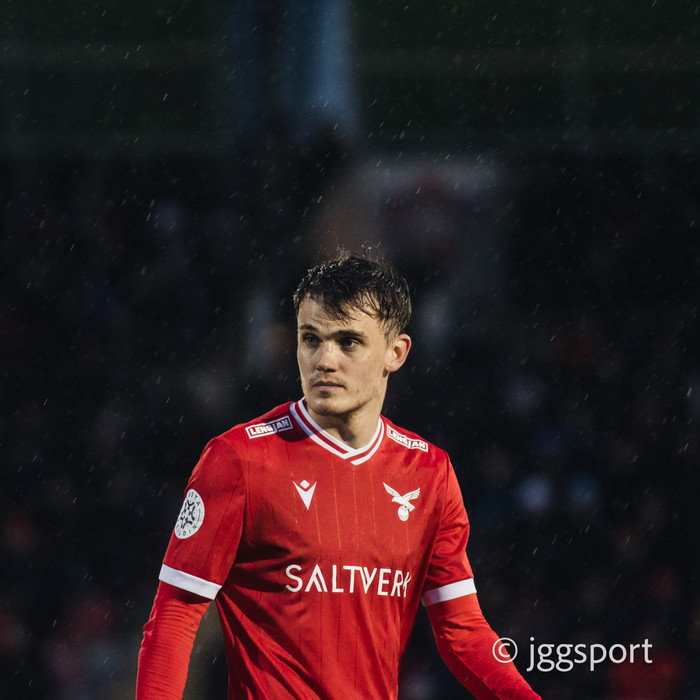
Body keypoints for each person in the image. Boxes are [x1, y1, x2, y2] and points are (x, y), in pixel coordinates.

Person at [136, 251, 540, 699]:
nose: (324, 360)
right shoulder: (239, 460)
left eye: (348, 342)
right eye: (311, 339)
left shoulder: (430, 472)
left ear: (396, 353)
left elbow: (463, 633)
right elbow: (174, 616)